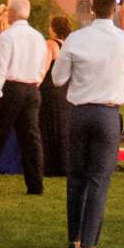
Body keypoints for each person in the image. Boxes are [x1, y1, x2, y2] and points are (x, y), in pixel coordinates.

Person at [51, 0, 124, 248]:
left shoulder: (76, 39)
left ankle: (75, 238)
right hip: (107, 114)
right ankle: (89, 243)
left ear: (91, 8)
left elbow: (57, 78)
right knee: (99, 179)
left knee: (76, 176)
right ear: (114, 9)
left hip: (78, 113)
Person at [0, 0, 48, 193]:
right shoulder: (38, 36)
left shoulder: (8, 36)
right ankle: (35, 184)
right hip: (31, 88)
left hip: (11, 88)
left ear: (12, 12)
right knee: (31, 139)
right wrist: (36, 80)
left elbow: (0, 66)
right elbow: (42, 64)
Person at [40, 12, 75, 166]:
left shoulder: (50, 44)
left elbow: (44, 67)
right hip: (66, 90)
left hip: (50, 88)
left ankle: (49, 162)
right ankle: (63, 161)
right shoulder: (69, 46)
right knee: (62, 125)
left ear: (54, 29)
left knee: (48, 125)